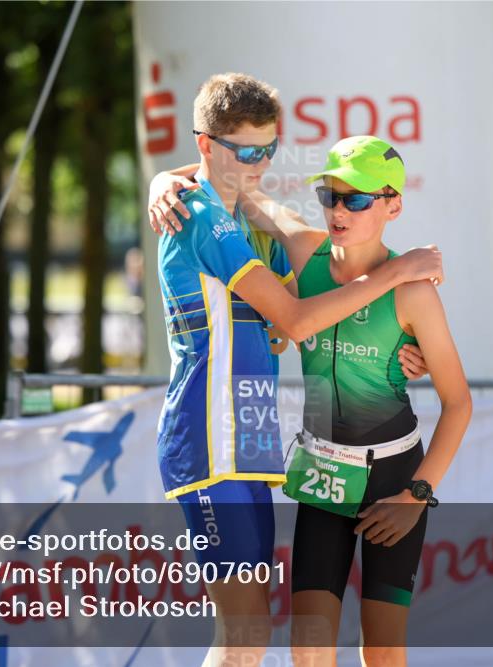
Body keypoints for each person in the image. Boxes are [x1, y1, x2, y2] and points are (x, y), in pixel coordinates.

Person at [152, 74, 442, 667]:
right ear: (205, 144)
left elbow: (315, 288)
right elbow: (296, 318)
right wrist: (397, 272)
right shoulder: (206, 217)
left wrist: (399, 344)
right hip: (209, 437)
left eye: (269, 149)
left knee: (250, 634)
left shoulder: (240, 219)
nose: (258, 163)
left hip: (250, 439)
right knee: (245, 636)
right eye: (245, 150)